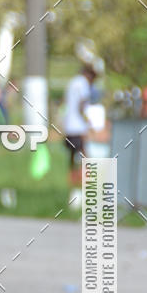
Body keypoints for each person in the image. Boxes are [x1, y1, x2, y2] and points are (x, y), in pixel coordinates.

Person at [62, 56, 102, 206]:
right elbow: (81, 106)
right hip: (78, 127)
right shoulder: (84, 83)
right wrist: (89, 122)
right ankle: (89, 190)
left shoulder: (72, 82)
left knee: (72, 161)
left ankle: (72, 189)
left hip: (69, 126)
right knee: (86, 159)